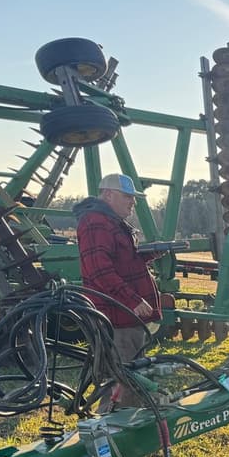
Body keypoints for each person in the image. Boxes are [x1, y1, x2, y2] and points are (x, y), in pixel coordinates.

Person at [74, 173, 162, 410]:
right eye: (126, 196)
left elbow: (121, 262)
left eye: (133, 197)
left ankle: (130, 430)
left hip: (126, 315)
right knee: (122, 378)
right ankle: (110, 432)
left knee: (133, 375)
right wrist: (131, 299)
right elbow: (99, 271)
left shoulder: (110, 222)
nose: (132, 202)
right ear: (108, 194)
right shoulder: (95, 222)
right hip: (116, 316)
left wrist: (149, 253)